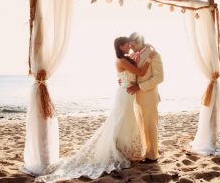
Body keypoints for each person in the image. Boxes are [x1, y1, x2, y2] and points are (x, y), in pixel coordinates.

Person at [35, 37, 156, 182]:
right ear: (121, 46)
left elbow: (131, 74)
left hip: (127, 92)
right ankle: (117, 151)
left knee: (125, 122)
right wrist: (150, 58)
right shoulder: (121, 60)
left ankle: (123, 151)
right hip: (125, 94)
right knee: (121, 121)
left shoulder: (126, 58)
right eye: (127, 44)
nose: (130, 45)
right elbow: (141, 73)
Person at [127, 32, 164, 163]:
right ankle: (145, 151)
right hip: (135, 99)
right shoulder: (133, 55)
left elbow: (159, 77)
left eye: (132, 45)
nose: (131, 48)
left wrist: (140, 87)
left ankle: (153, 155)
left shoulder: (154, 55)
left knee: (150, 126)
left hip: (148, 96)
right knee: (140, 126)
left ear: (139, 42)